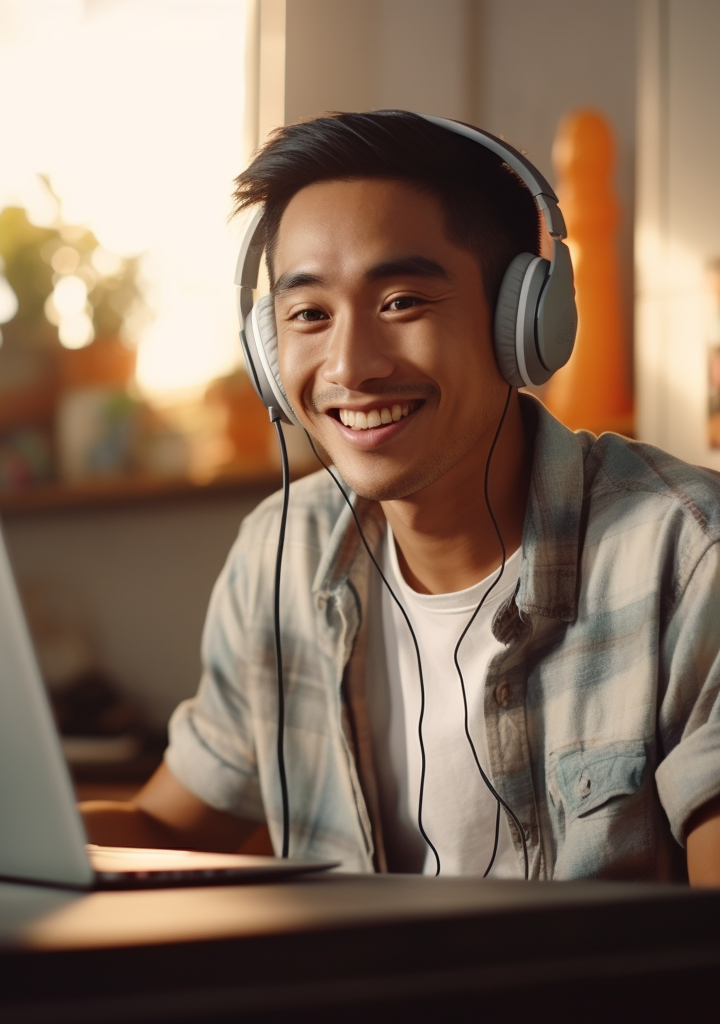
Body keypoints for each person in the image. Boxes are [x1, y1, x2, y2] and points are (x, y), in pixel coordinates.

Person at [80, 110, 720, 884]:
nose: (350, 366)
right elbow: (164, 824)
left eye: (401, 303)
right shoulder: (282, 552)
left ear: (523, 320)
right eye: (309, 314)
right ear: (267, 352)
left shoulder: (689, 563)